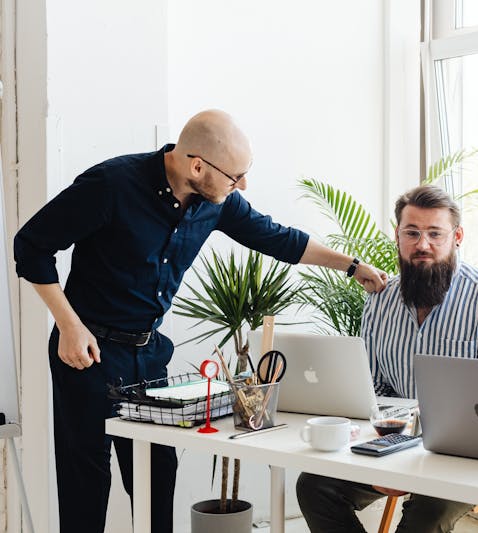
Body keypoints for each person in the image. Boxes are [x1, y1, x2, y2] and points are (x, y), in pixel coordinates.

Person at [13, 109, 388, 533]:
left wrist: (351, 265)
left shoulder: (215, 202)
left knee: (157, 474)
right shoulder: (111, 185)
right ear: (196, 166)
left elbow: (277, 237)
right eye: (236, 176)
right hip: (87, 351)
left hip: (149, 356)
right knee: (87, 482)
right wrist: (68, 324)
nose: (241, 185)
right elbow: (30, 246)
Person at [296, 185, 478, 533]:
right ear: (397, 235)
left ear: (457, 236)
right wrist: (389, 458)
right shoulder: (379, 300)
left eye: (435, 233)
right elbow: (371, 392)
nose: (423, 245)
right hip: (397, 446)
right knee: (314, 487)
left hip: (462, 458)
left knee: (423, 518)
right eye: (412, 233)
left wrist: (418, 467)